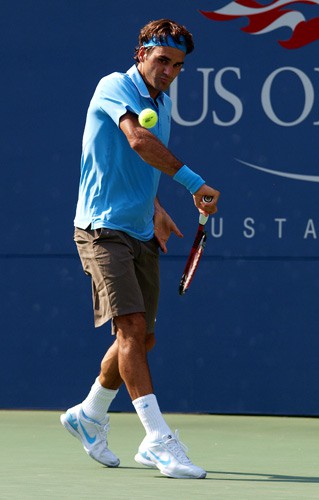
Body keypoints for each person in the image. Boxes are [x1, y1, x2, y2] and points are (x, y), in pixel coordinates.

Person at [60, 18, 220, 480]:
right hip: (101, 228)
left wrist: (155, 207)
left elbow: (131, 160)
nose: (169, 70)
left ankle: (89, 415)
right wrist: (192, 183)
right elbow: (135, 138)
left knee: (140, 340)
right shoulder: (114, 86)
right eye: (162, 59)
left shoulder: (162, 104)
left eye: (178, 65)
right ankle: (158, 439)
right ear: (141, 53)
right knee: (130, 328)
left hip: (139, 229)